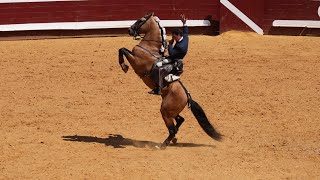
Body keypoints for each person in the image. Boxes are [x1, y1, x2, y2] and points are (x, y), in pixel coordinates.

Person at [148, 14, 189, 95]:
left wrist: (170, 44)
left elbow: (172, 53)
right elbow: (186, 31)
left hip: (176, 63)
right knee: (158, 62)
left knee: (159, 69)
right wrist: (184, 23)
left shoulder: (181, 46)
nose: (173, 38)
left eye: (174, 36)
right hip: (173, 58)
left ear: (177, 35)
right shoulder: (185, 37)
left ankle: (159, 89)